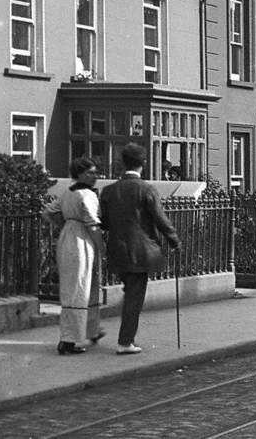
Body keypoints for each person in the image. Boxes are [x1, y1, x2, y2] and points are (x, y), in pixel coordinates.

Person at [100, 143, 180, 355]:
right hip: (141, 252)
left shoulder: (109, 191)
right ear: (142, 164)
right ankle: (125, 341)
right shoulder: (146, 189)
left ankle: (127, 338)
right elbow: (160, 219)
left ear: (122, 163)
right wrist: (174, 241)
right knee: (134, 297)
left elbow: (105, 223)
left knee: (130, 293)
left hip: (118, 250)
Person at [44, 157, 105, 354]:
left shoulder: (68, 192)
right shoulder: (86, 194)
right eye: (90, 172)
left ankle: (90, 330)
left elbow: (49, 211)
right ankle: (68, 339)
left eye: (95, 172)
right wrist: (102, 247)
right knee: (78, 287)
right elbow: (93, 224)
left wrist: (65, 225)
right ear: (79, 174)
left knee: (84, 285)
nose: (94, 176)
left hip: (68, 237)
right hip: (81, 241)